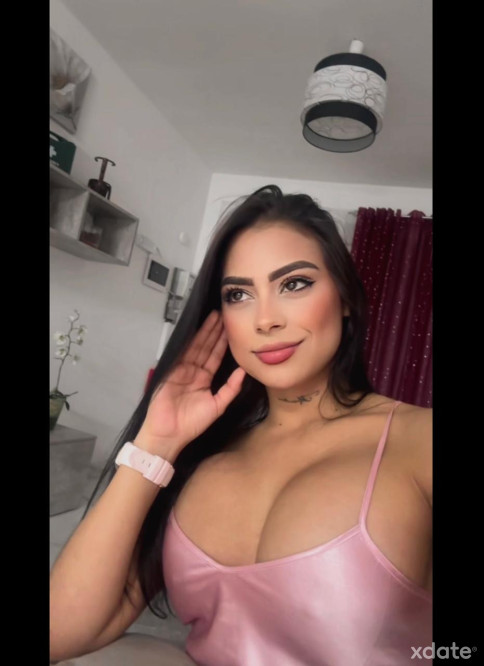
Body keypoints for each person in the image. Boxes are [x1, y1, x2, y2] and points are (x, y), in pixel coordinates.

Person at [50, 185, 432, 665]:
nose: (265, 320)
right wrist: (156, 444)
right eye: (239, 294)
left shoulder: (418, 440)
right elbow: (59, 632)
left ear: (346, 298)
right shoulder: (199, 456)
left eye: (294, 283)